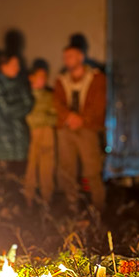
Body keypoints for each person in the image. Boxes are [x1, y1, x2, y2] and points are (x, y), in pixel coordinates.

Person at [54, 45, 107, 211]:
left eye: (70, 56)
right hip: (67, 128)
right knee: (67, 169)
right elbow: (57, 103)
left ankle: (99, 209)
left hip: (87, 129)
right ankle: (72, 208)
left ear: (80, 57)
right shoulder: (61, 80)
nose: (66, 60)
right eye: (65, 56)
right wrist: (70, 117)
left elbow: (100, 102)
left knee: (92, 169)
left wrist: (82, 119)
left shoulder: (96, 78)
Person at [0, 53, 34, 182]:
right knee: (6, 180)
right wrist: (21, 107)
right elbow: (7, 111)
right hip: (5, 141)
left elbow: (29, 103)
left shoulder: (21, 83)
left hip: (21, 139)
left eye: (18, 65)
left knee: (20, 179)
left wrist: (18, 106)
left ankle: (18, 202)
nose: (17, 68)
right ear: (4, 66)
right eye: (14, 65)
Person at [23, 61, 57, 206]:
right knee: (30, 167)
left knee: (47, 167)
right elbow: (26, 115)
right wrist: (43, 118)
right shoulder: (25, 94)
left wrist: (42, 119)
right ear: (32, 77)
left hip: (47, 134)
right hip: (31, 134)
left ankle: (46, 200)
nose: (43, 79)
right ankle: (28, 200)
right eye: (40, 76)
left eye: (45, 76)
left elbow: (55, 116)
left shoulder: (50, 96)